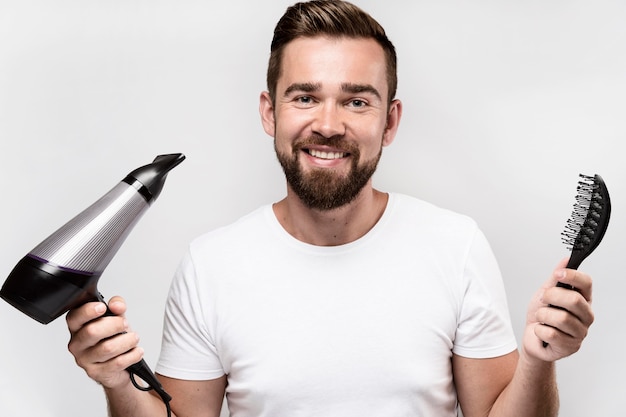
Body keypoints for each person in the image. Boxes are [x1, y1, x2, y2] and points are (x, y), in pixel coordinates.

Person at [66, 1, 595, 416]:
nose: (328, 124)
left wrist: (537, 361)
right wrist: (117, 383)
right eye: (304, 97)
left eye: (356, 101)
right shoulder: (211, 265)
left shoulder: (454, 246)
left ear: (389, 122)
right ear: (270, 113)